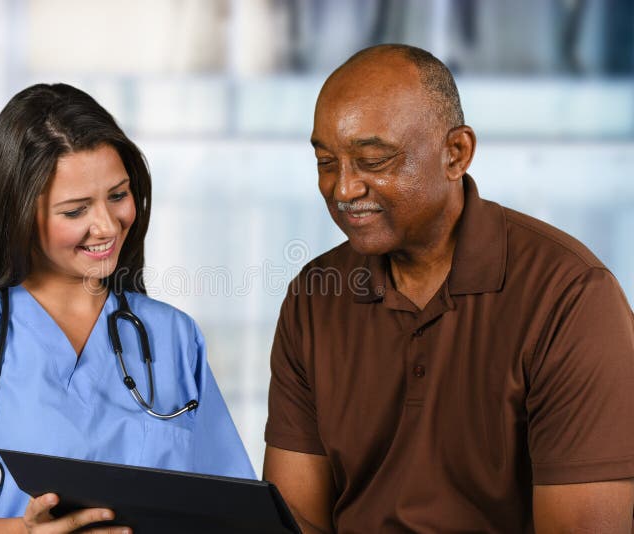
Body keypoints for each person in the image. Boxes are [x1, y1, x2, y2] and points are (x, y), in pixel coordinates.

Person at [263, 44, 634, 533]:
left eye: (372, 160)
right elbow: (297, 521)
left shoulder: (570, 297)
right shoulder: (313, 297)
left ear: (455, 153)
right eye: (326, 161)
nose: (343, 189)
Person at [0, 83, 255, 532]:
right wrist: (20, 532)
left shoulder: (173, 337)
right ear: (20, 215)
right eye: (75, 210)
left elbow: (228, 509)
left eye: (118, 196)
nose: (106, 225)